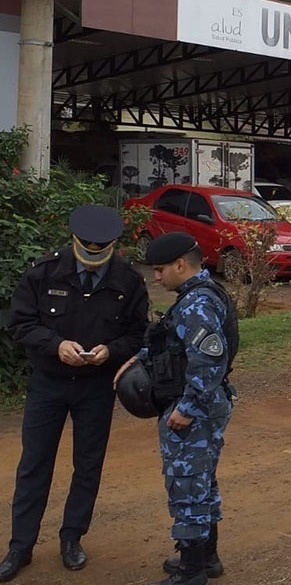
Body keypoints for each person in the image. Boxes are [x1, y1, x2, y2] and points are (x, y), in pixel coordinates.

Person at [1, 205, 149, 582]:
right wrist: (55, 344)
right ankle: (20, 546)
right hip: (48, 384)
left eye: (103, 250)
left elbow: (137, 333)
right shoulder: (45, 271)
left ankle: (72, 539)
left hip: (95, 388)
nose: (95, 257)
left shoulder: (129, 280)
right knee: (34, 464)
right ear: (74, 241)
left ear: (114, 246)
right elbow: (19, 323)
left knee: (88, 465)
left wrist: (110, 352)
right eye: (88, 249)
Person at [118, 232, 238, 585]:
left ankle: (192, 571)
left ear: (180, 265)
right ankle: (207, 558)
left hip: (195, 408)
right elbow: (173, 344)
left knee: (187, 485)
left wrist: (187, 407)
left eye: (160, 270)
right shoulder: (195, 297)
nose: (156, 278)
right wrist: (138, 359)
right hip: (200, 403)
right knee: (199, 481)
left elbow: (209, 361)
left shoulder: (197, 304)